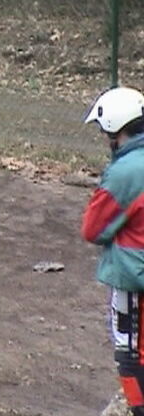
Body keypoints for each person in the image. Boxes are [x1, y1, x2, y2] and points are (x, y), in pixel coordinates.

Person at [82, 86, 144, 415]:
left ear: (115, 130)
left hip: (134, 277)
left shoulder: (125, 172)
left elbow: (92, 228)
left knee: (130, 356)